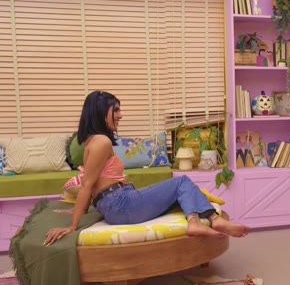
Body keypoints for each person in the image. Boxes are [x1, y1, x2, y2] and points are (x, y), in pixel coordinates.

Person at [44, 90, 250, 246]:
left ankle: (207, 219)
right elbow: (87, 185)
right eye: (116, 110)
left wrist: (76, 211)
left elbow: (91, 183)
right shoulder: (101, 142)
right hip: (120, 205)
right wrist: (72, 226)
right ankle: (204, 221)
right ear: (100, 113)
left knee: (181, 193)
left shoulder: (93, 141)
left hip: (118, 203)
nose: (120, 115)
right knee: (182, 182)